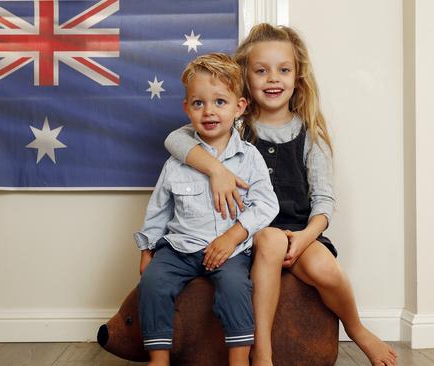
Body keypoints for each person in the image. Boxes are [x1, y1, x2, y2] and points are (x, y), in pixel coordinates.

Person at [164, 24, 398, 366]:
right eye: (261, 71)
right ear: (246, 77)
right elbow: (175, 140)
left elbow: (323, 201)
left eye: (283, 70)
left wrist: (306, 237)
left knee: (327, 270)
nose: (273, 79)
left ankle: (357, 328)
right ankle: (264, 354)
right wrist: (217, 170)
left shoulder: (310, 134)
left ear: (297, 76)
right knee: (270, 239)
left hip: (299, 232)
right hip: (248, 231)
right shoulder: (234, 125)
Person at [135, 53, 280, 366]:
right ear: (187, 108)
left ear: (239, 107)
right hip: (180, 248)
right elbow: (159, 208)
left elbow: (266, 203)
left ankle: (239, 359)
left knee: (236, 287)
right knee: (152, 284)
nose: (209, 111)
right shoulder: (177, 162)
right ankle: (158, 359)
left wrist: (233, 236)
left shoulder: (249, 157)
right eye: (199, 103)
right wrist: (147, 250)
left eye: (220, 102)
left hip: (229, 251)